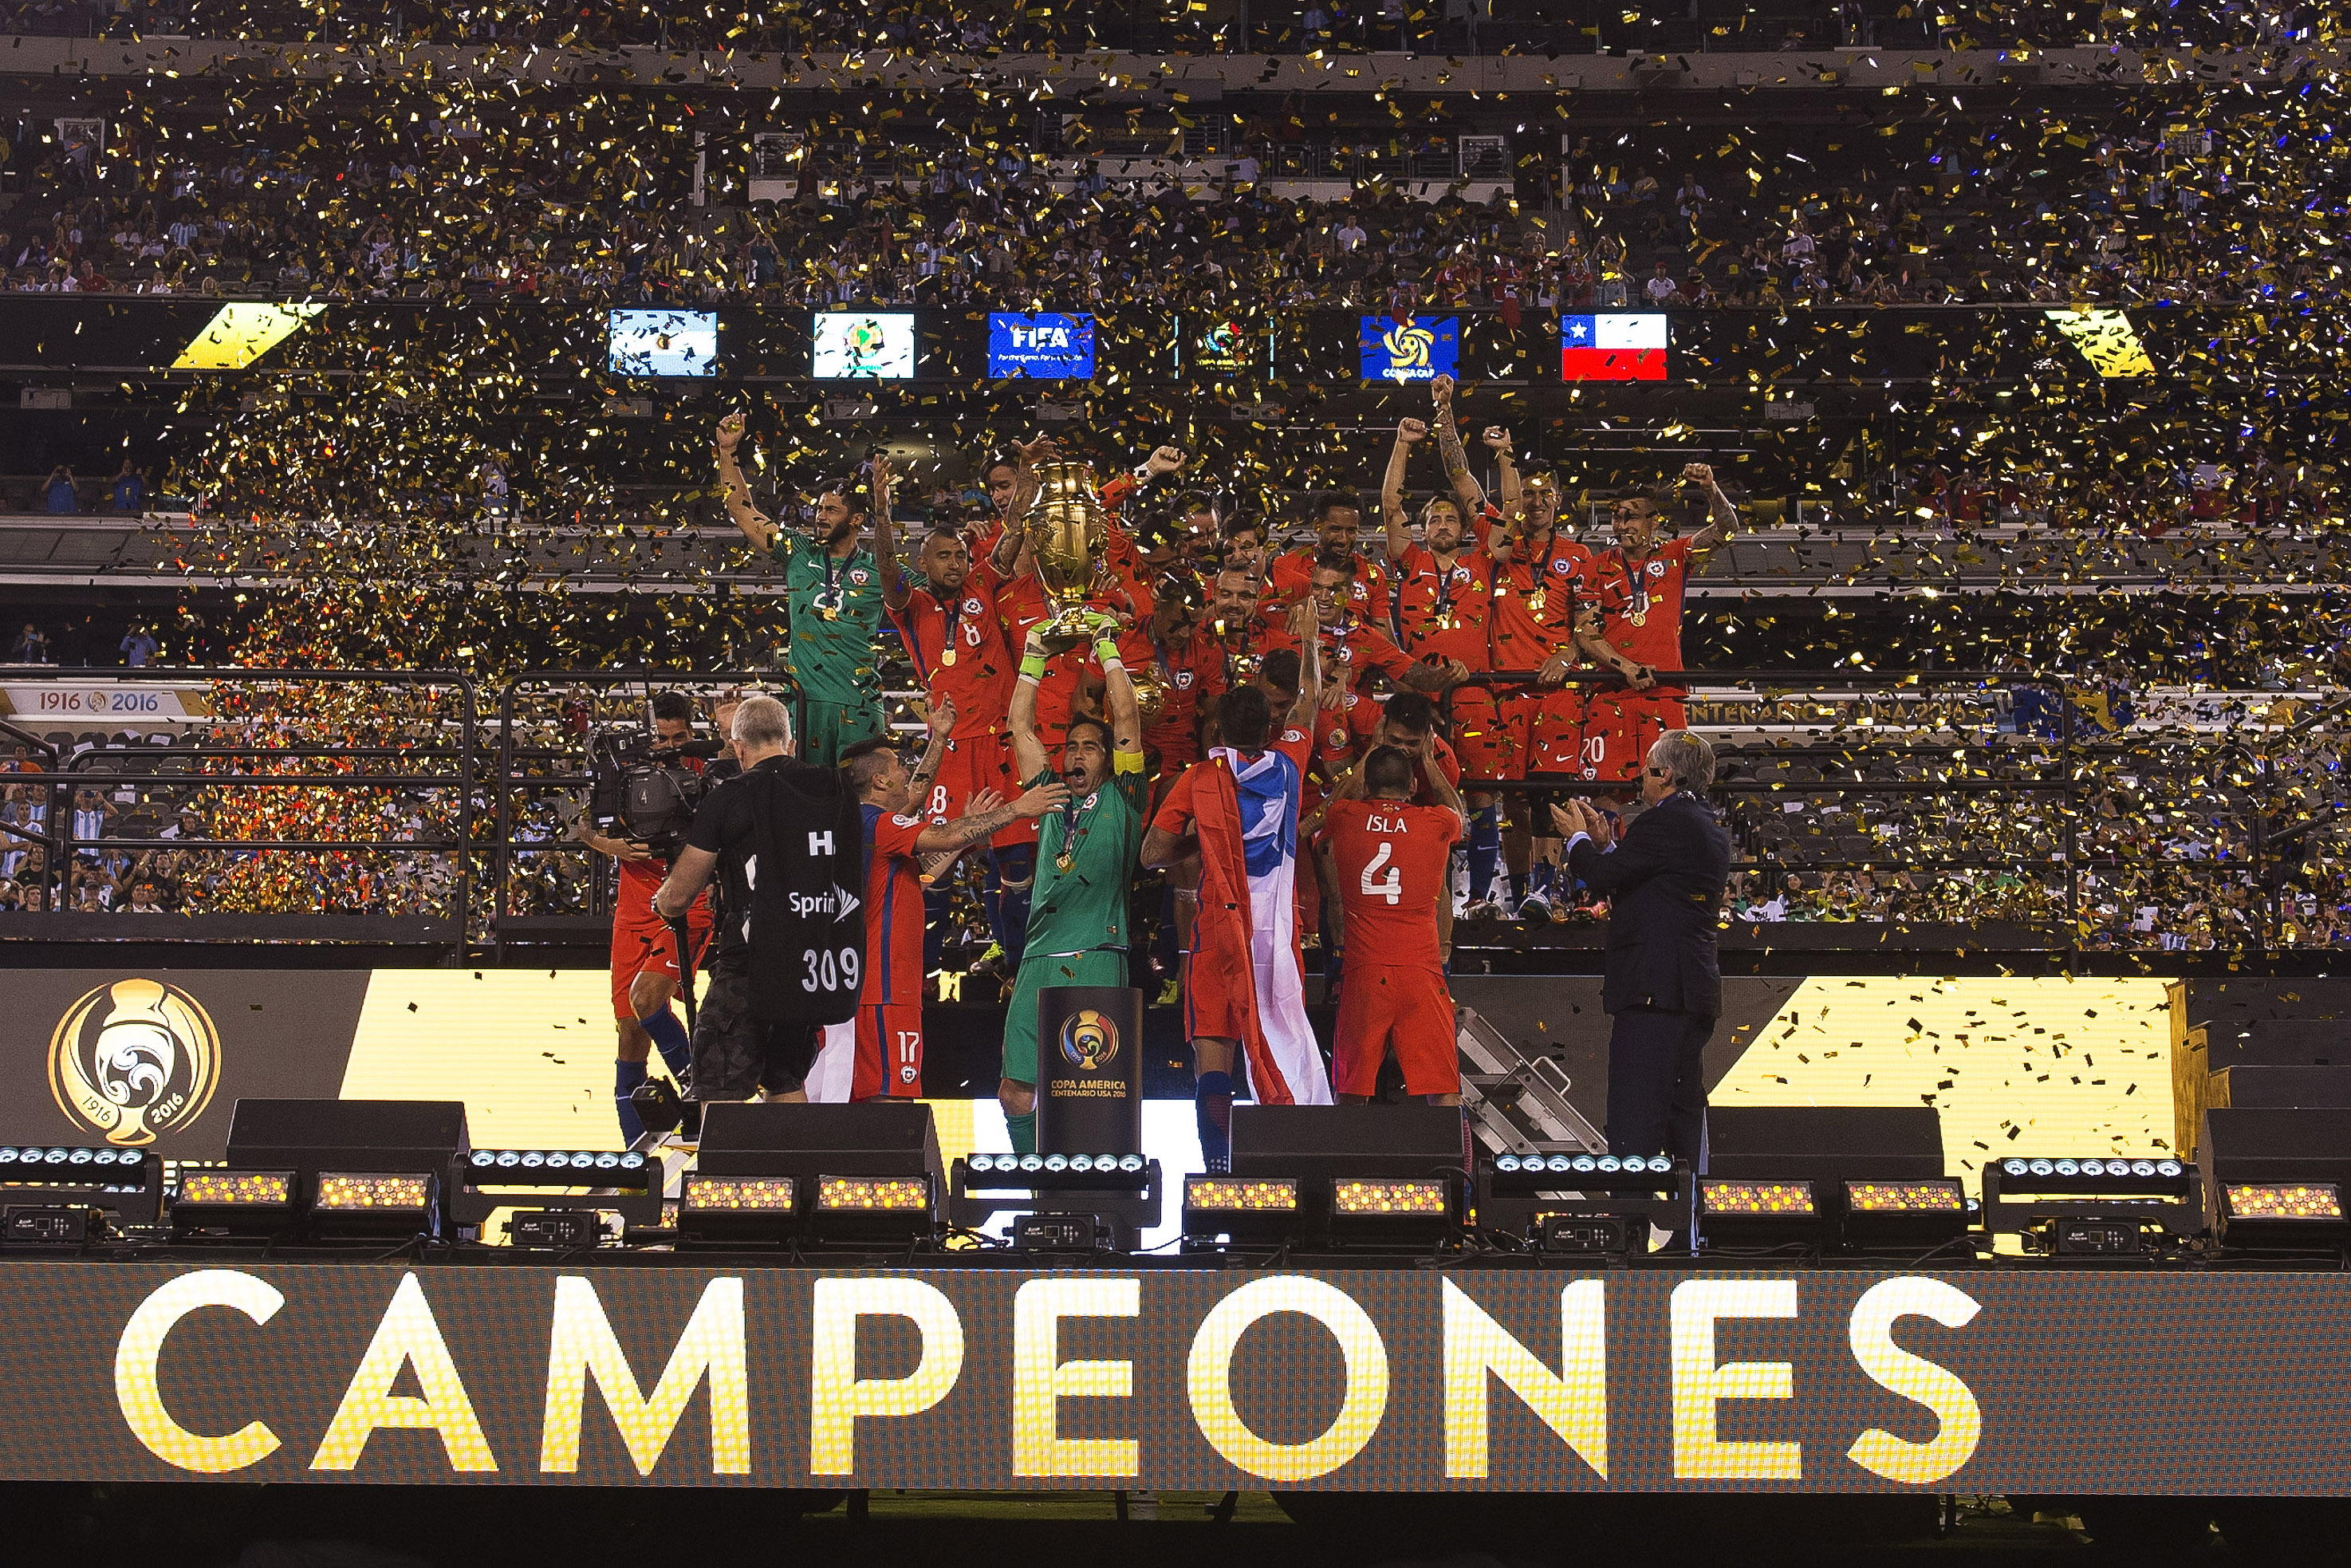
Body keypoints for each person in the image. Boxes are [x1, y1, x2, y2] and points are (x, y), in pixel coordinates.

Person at [1142, 601, 1333, 1172]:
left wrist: (1201, 842)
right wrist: (1312, 645)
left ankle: (1219, 1172)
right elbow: (1309, 703)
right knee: (1278, 1044)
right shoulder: (1291, 764)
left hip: (1217, 936)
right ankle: (1286, 1170)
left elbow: (1152, 855)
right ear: (1271, 729)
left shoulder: (1198, 780)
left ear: (1219, 730)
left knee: (1214, 1064)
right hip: (1275, 937)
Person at [832, 703, 1065, 1101]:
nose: (906, 771)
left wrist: (939, 738)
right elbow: (944, 834)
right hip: (886, 988)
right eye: (897, 766)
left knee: (868, 1096)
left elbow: (920, 873)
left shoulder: (859, 826)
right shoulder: (879, 825)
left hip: (869, 987)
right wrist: (1018, 809)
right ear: (880, 780)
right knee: (890, 1101)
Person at [654, 694, 862, 1108]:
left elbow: (680, 894)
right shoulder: (835, 789)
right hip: (813, 966)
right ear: (790, 744)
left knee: (719, 1090)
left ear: (739, 748)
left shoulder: (730, 795)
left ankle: (730, 1175)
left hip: (750, 964)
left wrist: (664, 904)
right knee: (785, 1081)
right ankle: (797, 1173)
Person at [998, 609, 1149, 1155]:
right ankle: (1028, 1175)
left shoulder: (1124, 797)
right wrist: (1034, 656)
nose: (1076, 754)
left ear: (1110, 761)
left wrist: (1108, 646)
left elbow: (1128, 715)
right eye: (1071, 747)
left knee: (1095, 1090)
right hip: (1039, 957)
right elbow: (1020, 726)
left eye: (1089, 747)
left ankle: (1098, 1193)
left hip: (1099, 953)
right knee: (1016, 1092)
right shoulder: (1050, 795)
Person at [1551, 731, 1731, 1172]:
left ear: (1664, 774)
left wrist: (1576, 841)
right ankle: (1689, 1231)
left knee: (1636, 1117)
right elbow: (1647, 877)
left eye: (1645, 769)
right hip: (1689, 989)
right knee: (1682, 1113)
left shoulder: (1664, 821)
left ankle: (1629, 1227)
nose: (1640, 780)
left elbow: (1606, 876)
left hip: (1655, 991)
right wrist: (1604, 842)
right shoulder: (1702, 822)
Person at [712, 412, 898, 765]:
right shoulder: (798, 550)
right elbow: (741, 509)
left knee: (860, 803)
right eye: (818, 508)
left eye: (831, 509)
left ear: (856, 519)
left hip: (858, 704)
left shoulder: (881, 569)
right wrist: (727, 451)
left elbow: (936, 587)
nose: (820, 516)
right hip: (803, 704)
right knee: (803, 798)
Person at [569, 690, 712, 1143]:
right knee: (630, 1033)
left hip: (687, 907)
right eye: (663, 737)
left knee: (648, 999)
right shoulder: (627, 770)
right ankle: (634, 1153)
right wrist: (609, 846)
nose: (671, 746)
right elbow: (583, 825)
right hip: (631, 915)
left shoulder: (707, 775)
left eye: (680, 737)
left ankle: (703, 1092)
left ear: (693, 734)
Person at [1317, 739, 1465, 1105]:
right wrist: (1429, 761)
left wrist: (1367, 752)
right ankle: (1456, 1164)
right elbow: (1458, 813)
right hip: (1421, 970)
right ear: (1412, 786)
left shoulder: (1346, 816)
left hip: (1365, 972)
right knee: (1444, 1092)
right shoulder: (1434, 822)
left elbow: (1331, 805)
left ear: (1367, 786)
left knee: (1350, 1092)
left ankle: (1348, 1161)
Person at [1576, 463, 1738, 788]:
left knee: (1672, 790)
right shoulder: (1594, 568)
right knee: (1606, 795)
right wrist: (1627, 668)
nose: (1622, 525)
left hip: (1665, 693)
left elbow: (1727, 529)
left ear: (1654, 522)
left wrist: (1709, 487)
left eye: (1631, 517)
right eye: (1617, 516)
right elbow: (1585, 632)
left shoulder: (1676, 556)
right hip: (1610, 694)